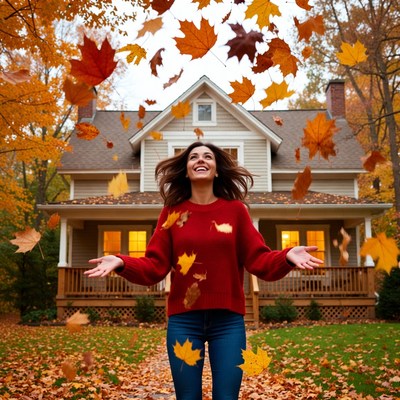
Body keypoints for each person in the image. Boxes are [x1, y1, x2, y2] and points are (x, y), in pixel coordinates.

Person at [85, 141, 323, 400]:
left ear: (216, 169)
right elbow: (155, 267)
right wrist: (122, 262)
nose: (200, 160)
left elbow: (259, 261)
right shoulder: (172, 213)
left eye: (208, 156)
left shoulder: (236, 211)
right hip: (184, 321)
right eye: (193, 157)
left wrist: (286, 256)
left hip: (228, 322)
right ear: (186, 170)